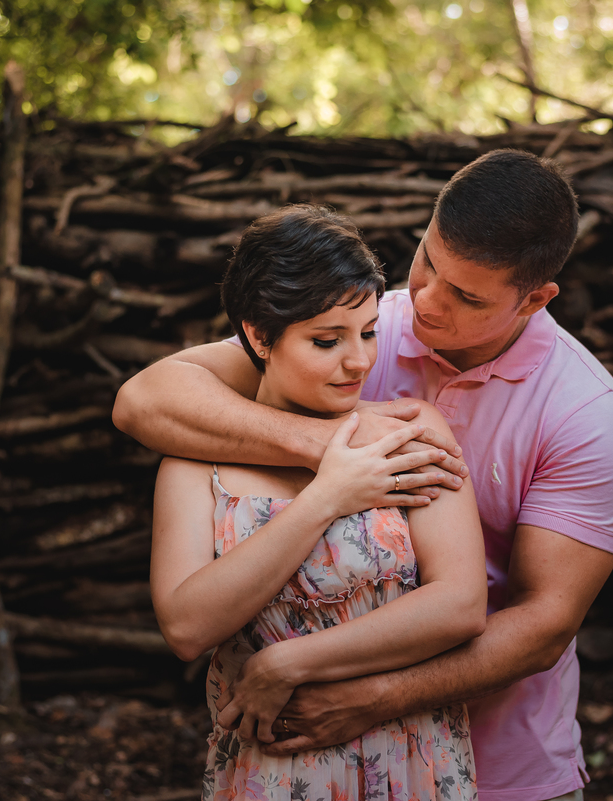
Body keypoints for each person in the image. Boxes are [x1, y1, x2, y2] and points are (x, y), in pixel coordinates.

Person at [117, 149, 613, 801]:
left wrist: (366, 696)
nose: (425, 298)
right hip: (290, 756)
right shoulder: (361, 325)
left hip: (504, 767)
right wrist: (330, 449)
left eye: (465, 295)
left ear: (535, 298)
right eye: (427, 260)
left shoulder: (588, 413)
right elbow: (147, 398)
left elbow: (543, 624)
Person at [149, 205, 488, 800]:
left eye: (368, 332)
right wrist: (326, 497)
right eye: (327, 340)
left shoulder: (407, 430)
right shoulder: (192, 460)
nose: (358, 361)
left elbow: (459, 605)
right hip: (272, 771)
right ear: (258, 335)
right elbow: (185, 626)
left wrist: (289, 664)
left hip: (411, 758)